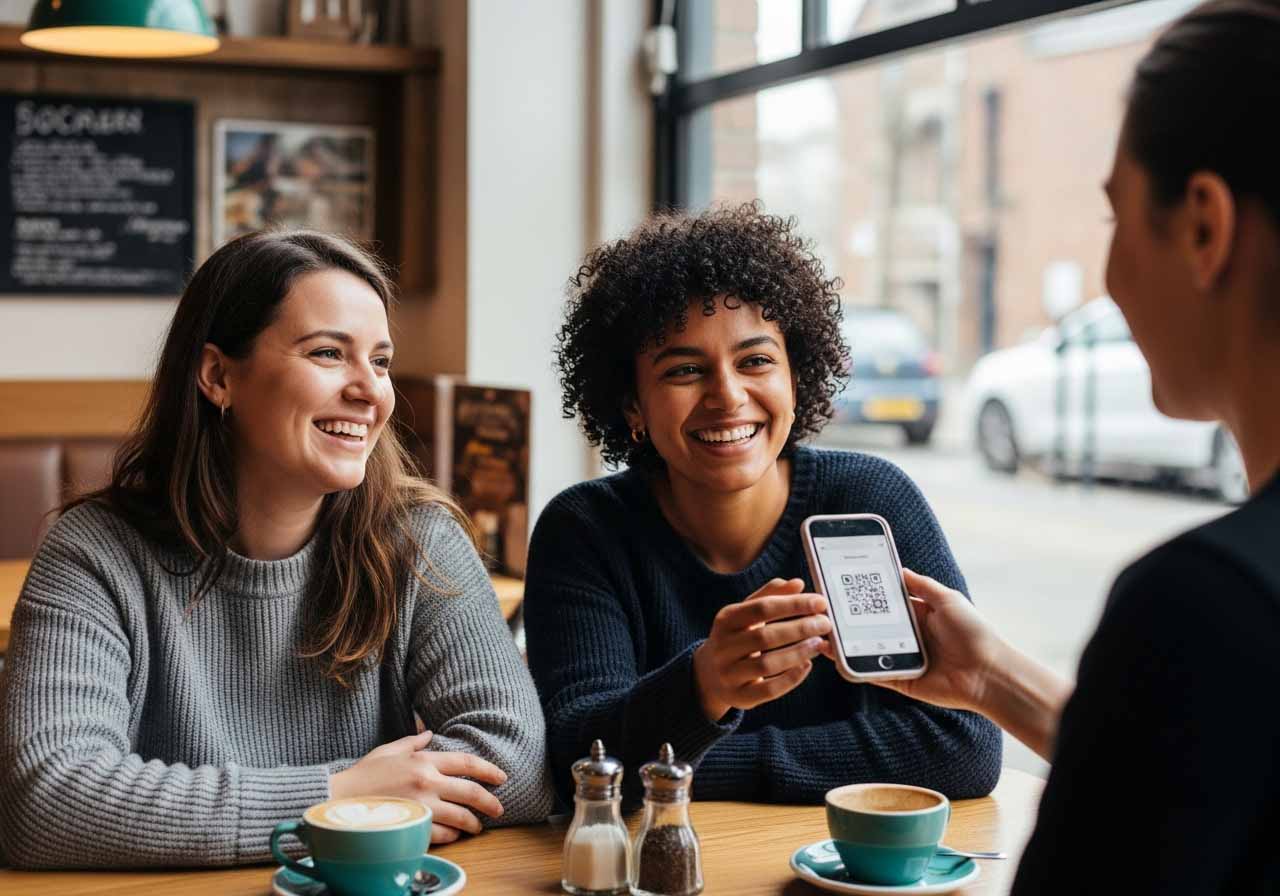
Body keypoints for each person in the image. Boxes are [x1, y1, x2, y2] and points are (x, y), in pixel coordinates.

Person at [875, 2, 1280, 892]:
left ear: (1205, 227)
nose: (1111, 280)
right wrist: (992, 682)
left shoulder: (1198, 606)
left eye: (1117, 220)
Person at [0, 231, 552, 869]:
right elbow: (46, 800)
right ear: (217, 376)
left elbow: (516, 764)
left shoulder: (418, 538)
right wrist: (335, 797)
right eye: (327, 353)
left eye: (380, 361)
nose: (370, 392)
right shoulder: (94, 552)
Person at [524, 204, 1002, 806]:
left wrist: (694, 762)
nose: (727, 396)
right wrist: (705, 685)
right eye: (684, 370)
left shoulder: (870, 498)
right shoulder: (585, 529)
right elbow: (577, 757)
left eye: (755, 361)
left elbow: (963, 745)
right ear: (632, 407)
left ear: (796, 378)